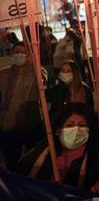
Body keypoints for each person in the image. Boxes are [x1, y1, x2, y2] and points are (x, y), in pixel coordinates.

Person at [17, 103, 99, 193]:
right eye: (70, 125)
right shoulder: (43, 152)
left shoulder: (97, 158)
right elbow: (20, 176)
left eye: (82, 125)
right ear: (58, 131)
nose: (76, 129)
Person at [0, 42, 44, 171]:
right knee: (11, 159)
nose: (19, 55)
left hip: (29, 122)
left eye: (23, 52)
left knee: (31, 159)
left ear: (29, 55)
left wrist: (34, 63)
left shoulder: (36, 72)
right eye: (16, 52)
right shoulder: (3, 74)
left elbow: (43, 80)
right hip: (7, 123)